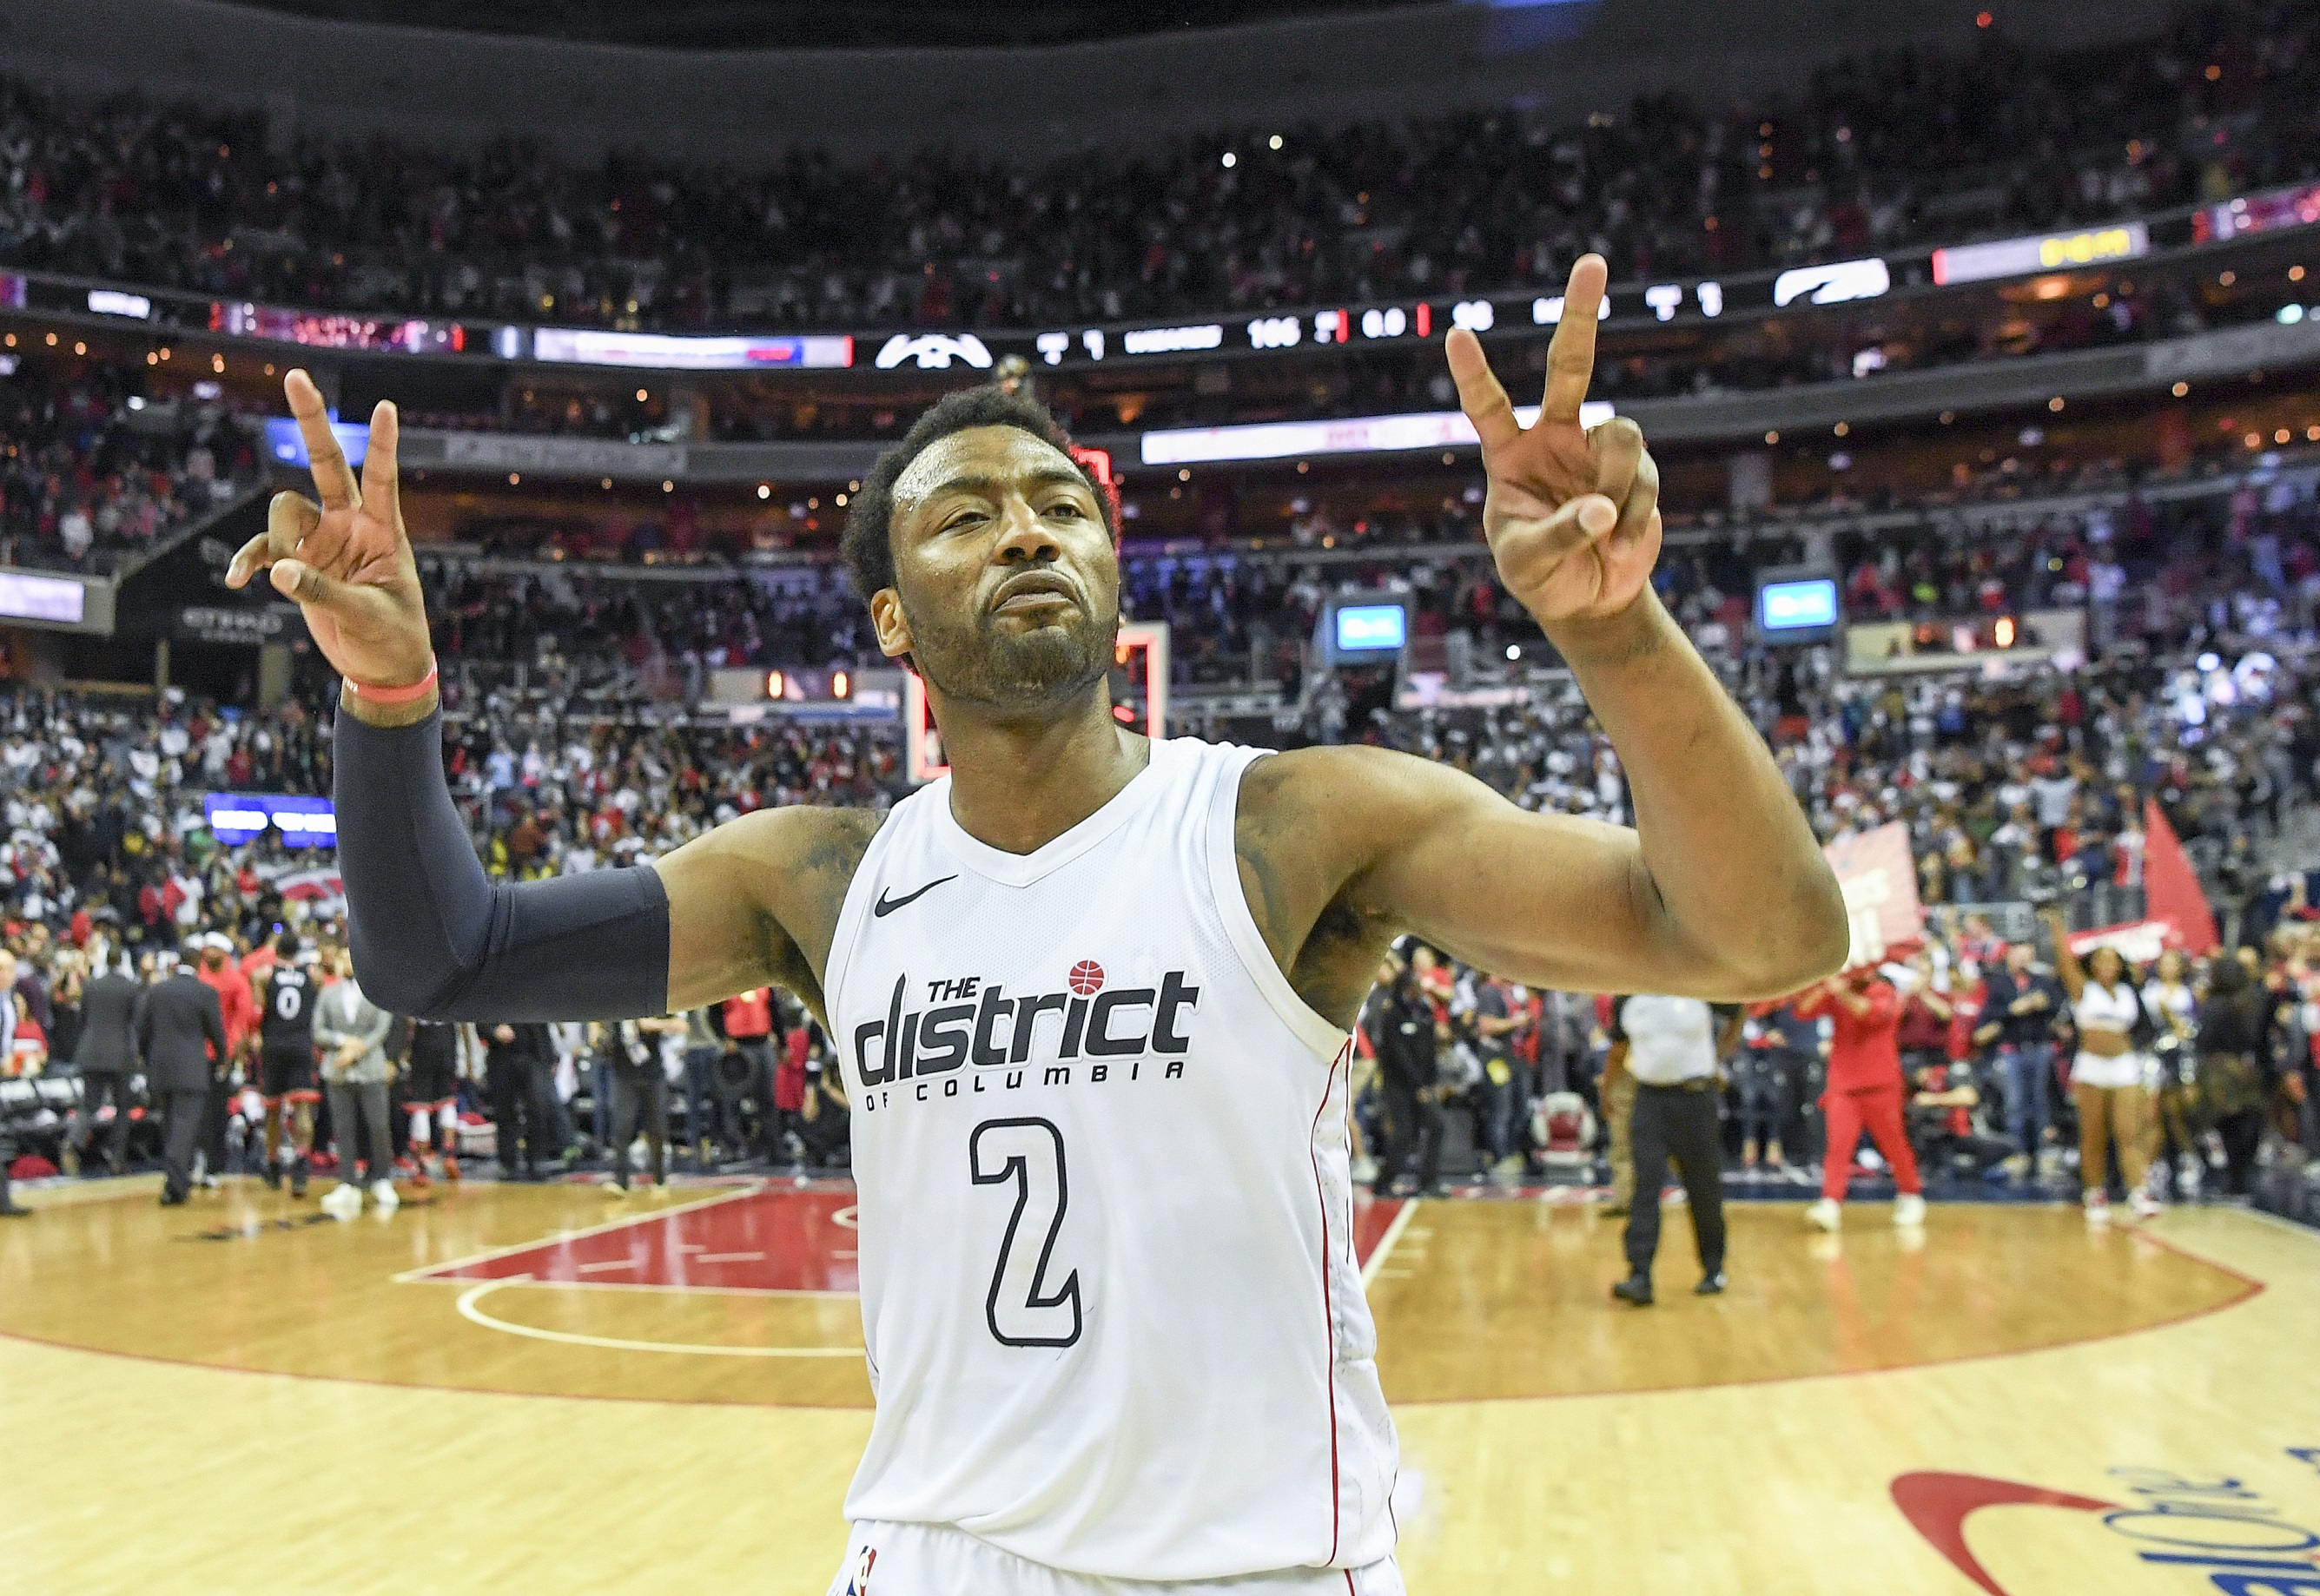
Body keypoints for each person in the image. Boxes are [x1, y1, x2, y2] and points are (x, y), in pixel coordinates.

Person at [234, 253, 1847, 1591]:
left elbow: (1759, 936)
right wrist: (390, 696)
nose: (1025, 529)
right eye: (965, 516)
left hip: (1263, 1560)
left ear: (1112, 573)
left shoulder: (1293, 822)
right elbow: (441, 954)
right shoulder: (818, 875)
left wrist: (1619, 629)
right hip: (937, 1551)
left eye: (1060, 509)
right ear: (892, 618)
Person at [1608, 993, 1741, 1305]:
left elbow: (1738, 1011)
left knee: (1703, 1188)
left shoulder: (1699, 986)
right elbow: (1618, 1048)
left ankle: (1713, 1267)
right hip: (1649, 1100)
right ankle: (1639, 1275)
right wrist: (1608, 1089)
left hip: (1696, 1099)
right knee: (1645, 1187)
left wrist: (1718, 1057)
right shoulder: (1627, 997)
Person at [2043, 909, 2159, 1222]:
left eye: (2113, 960)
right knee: (2093, 1133)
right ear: (2093, 964)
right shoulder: (2084, 989)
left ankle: (2139, 1193)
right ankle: (2094, 1192)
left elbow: (2144, 1027)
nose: (2107, 965)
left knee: (2129, 1132)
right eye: (2101, 959)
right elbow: (2065, 961)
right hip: (2092, 1066)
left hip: (2124, 1065)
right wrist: (2058, 925)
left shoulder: (2127, 992)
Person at [1792, 966, 1927, 1231]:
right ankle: (1830, 1203)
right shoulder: (1839, 988)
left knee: (1894, 1145)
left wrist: (1840, 991)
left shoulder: (1886, 991)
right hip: (1843, 1086)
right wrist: (1822, 987)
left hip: (1881, 1085)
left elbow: (1869, 1014)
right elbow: (1803, 1011)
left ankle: (1911, 1195)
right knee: (1838, 1148)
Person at [135, 939, 229, 1206]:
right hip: (191, 1070)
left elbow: (142, 1029)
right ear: (199, 964)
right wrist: (223, 1058)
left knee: (169, 1127)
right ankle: (174, 1187)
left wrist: (145, 1057)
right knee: (184, 1128)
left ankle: (179, 1181)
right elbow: (217, 1033)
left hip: (160, 1069)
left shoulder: (157, 991)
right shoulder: (205, 992)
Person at [313, 947, 397, 1218]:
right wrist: (342, 1043)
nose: (347, 962)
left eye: (351, 957)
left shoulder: (378, 991)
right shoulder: (328, 993)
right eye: (342, 958)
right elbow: (318, 1030)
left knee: (378, 1126)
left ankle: (382, 1179)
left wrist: (357, 1049)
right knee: (343, 1128)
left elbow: (383, 1028)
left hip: (370, 1068)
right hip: (337, 1070)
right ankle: (347, 1181)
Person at [1975, 938, 2065, 1184]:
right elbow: (1991, 1015)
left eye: (2027, 954)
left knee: (2040, 1102)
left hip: (2039, 1047)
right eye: (2018, 954)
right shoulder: (1999, 983)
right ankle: (2019, 1151)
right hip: (2012, 1049)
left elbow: (2057, 1006)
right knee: (2015, 1104)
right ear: (2009, 956)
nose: (2023, 959)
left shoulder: (2042, 981)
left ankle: (2041, 1153)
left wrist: (2043, 1004)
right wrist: (2014, 1009)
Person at [1365, 954, 1445, 1197]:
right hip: (1398, 1085)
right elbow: (1398, 1056)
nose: (1416, 991)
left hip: (1423, 1085)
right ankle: (1384, 1183)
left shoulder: (1423, 1012)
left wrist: (1431, 1084)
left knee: (1437, 1126)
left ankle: (1428, 1181)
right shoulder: (1391, 1015)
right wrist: (1418, 1086)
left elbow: (1431, 1051)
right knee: (1403, 1133)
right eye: (1412, 987)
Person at [2193, 955, 2270, 1201]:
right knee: (2249, 1125)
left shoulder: (2213, 1005)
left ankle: (2233, 1180)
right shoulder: (2256, 1001)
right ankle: (2243, 1179)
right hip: (2250, 1071)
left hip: (2221, 1073)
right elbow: (2262, 1041)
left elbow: (2204, 1042)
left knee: (2228, 1127)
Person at [63, 947, 142, 1179]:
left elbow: (82, 1019)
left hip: (90, 1052)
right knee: (123, 1109)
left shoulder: (91, 985)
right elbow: (136, 1022)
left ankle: (72, 1143)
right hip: (119, 1056)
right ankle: (117, 1159)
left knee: (89, 1105)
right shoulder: (130, 987)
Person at [254, 933, 321, 1197]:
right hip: (302, 1044)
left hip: (273, 1045)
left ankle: (272, 1166)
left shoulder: (264, 975)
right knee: (302, 1107)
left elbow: (257, 1012)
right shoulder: (312, 975)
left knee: (273, 1110)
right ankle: (301, 1166)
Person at [2141, 947, 2200, 1198]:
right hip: (2155, 1055)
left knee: (2179, 1112)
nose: (2168, 968)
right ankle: (2153, 1163)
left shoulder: (2189, 992)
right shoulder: (2150, 992)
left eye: (2173, 964)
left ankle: (2189, 1159)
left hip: (2183, 1056)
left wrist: (2180, 1026)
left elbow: (2195, 1026)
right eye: (2164, 964)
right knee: (2152, 1112)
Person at [480, 1020, 553, 1179]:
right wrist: (493, 1031)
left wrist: (549, 1056)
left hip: (532, 1053)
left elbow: (542, 1023)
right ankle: (507, 1163)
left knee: (537, 1108)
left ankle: (537, 1159)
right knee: (504, 1111)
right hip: (501, 1055)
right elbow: (481, 1017)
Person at [400, 1016, 464, 1185]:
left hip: (423, 1043)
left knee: (420, 1105)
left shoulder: (416, 993)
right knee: (447, 1100)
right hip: (448, 1042)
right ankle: (449, 1153)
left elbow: (407, 1023)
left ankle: (421, 1162)